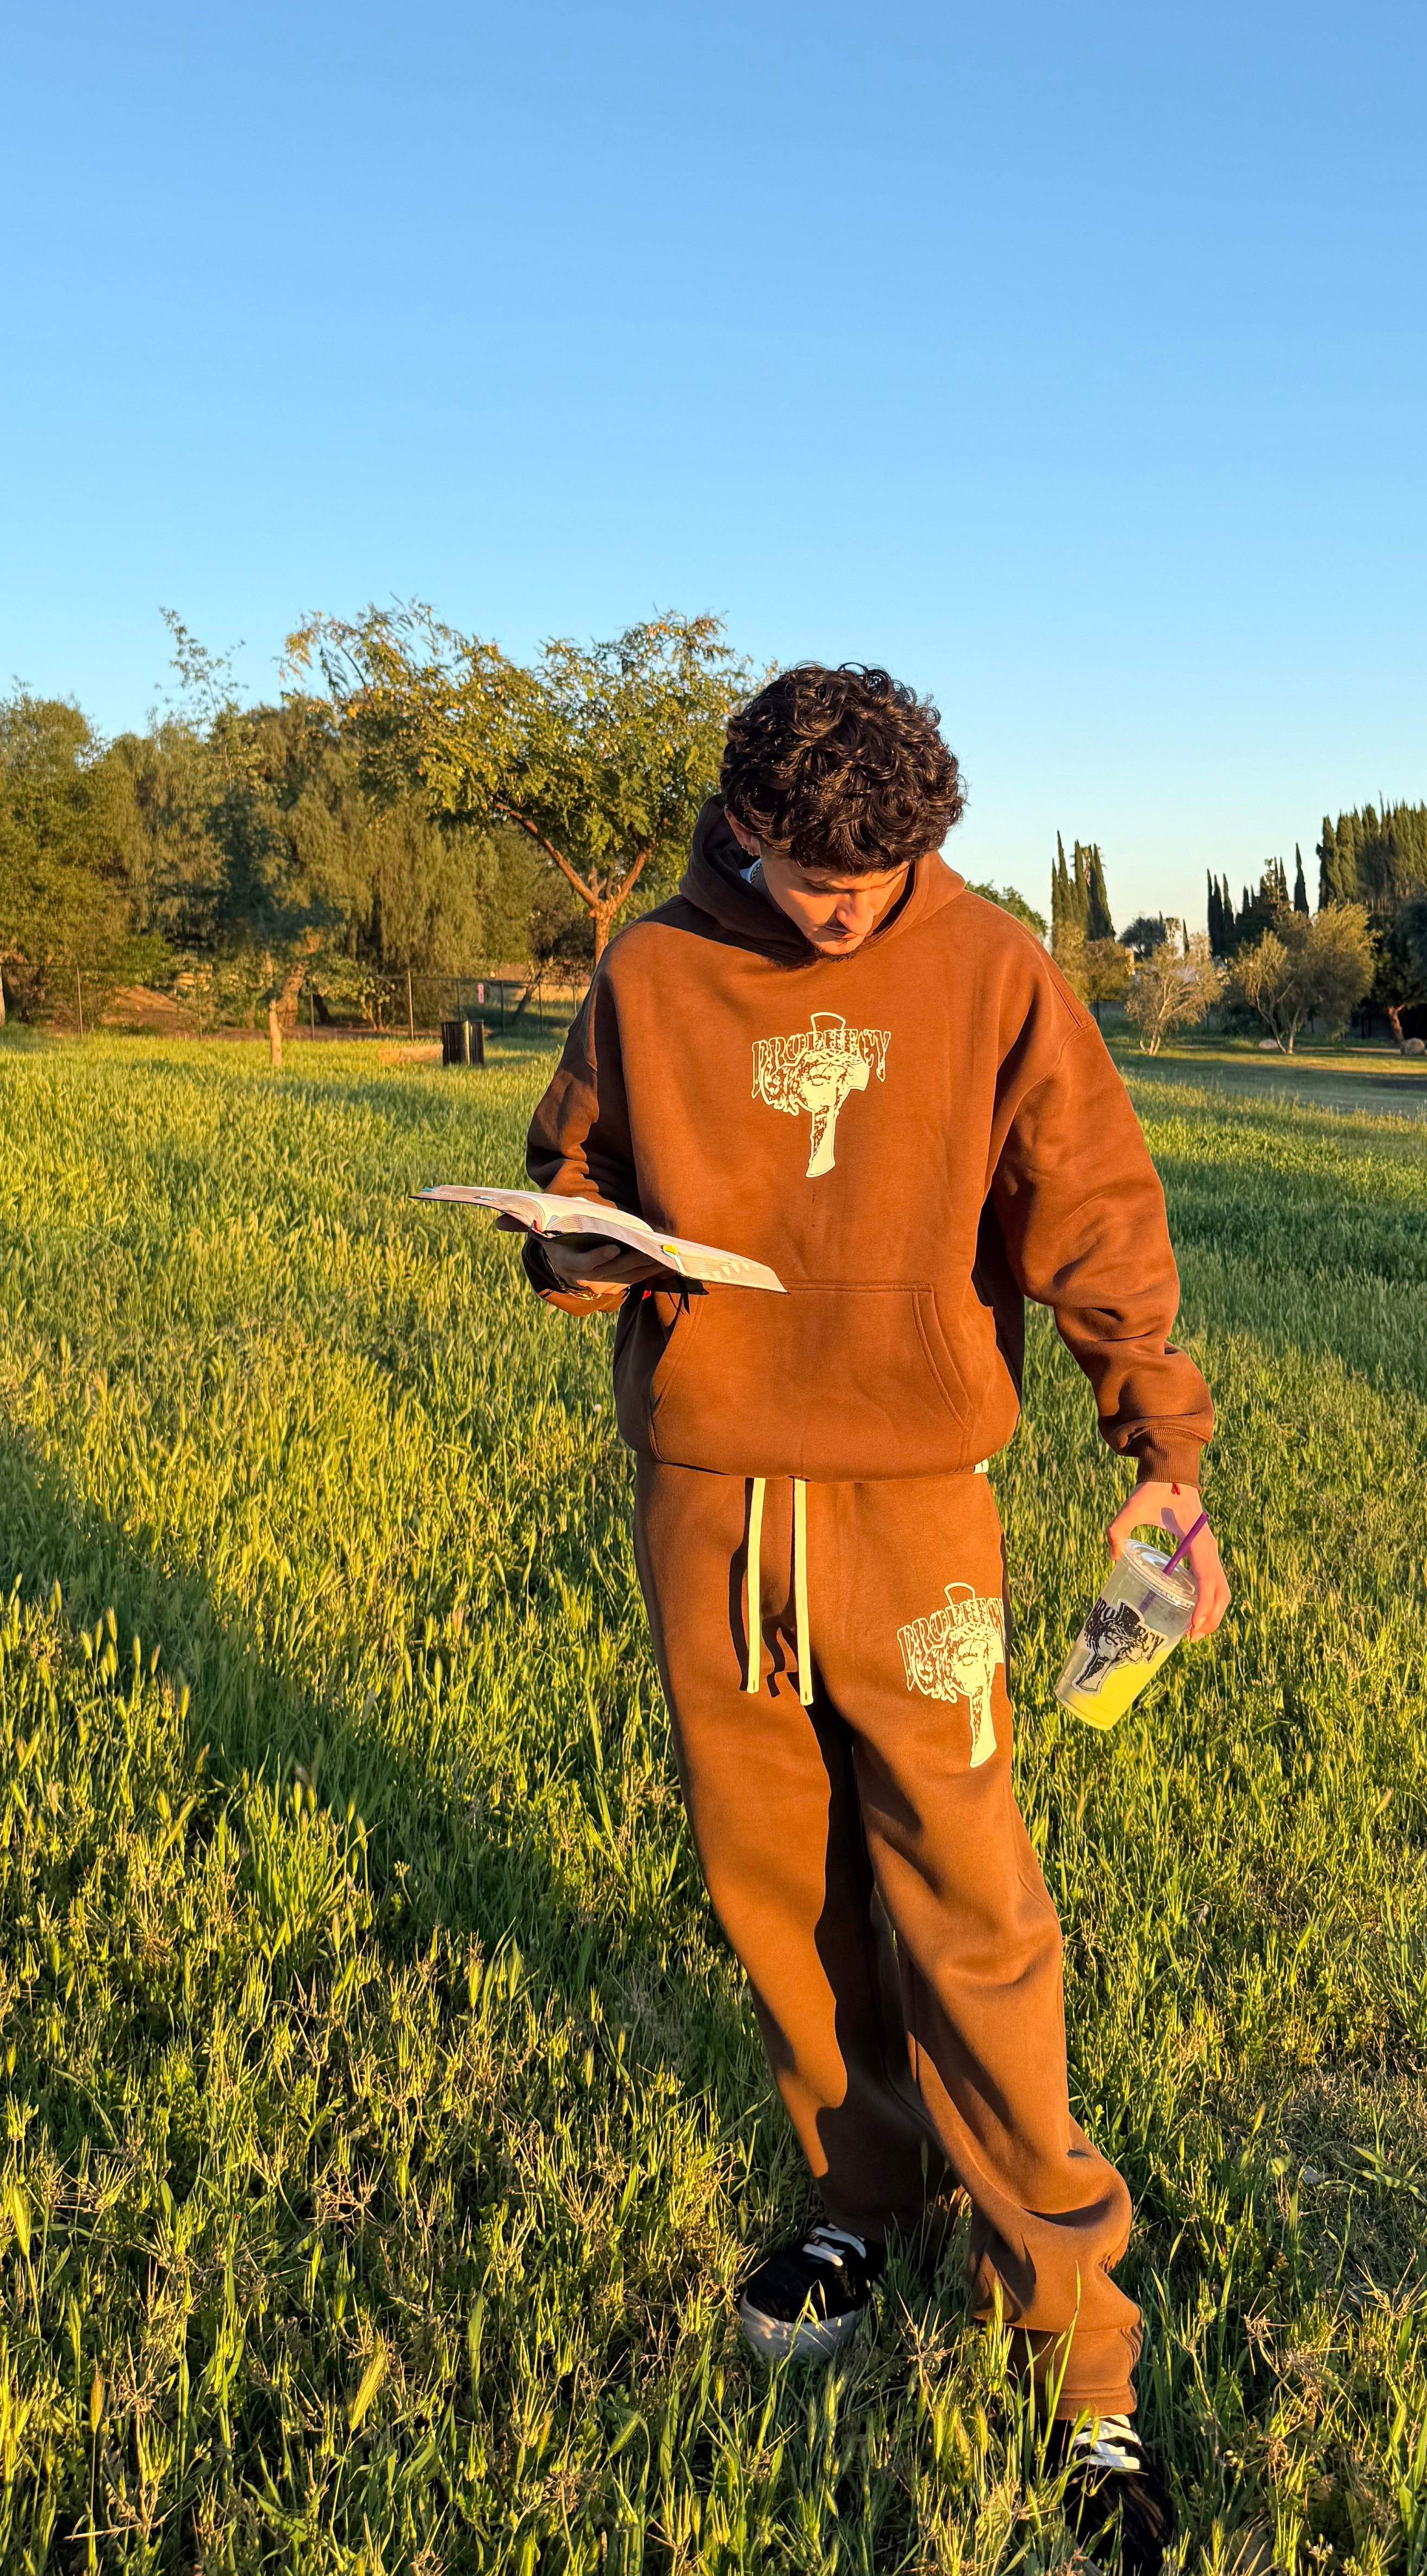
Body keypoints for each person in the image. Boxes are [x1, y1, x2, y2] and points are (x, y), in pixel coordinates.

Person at [518, 663, 1227, 2572]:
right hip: (707, 1496)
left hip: (916, 1510)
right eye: (815, 878)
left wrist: (1160, 1453)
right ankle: (856, 2190)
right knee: (773, 1878)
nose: (848, 913)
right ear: (743, 828)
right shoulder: (655, 969)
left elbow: (1089, 1205)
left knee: (969, 1902)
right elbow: (573, 1172)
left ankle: (1079, 2342)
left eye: (886, 874)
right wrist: (580, 1248)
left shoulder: (991, 965)